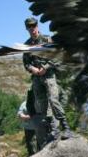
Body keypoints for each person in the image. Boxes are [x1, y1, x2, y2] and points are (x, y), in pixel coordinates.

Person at [22, 17, 73, 147]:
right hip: (36, 77)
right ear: (27, 28)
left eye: (34, 25)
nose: (32, 28)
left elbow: (56, 57)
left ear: (37, 26)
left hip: (49, 75)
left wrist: (46, 67)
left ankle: (66, 127)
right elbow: (26, 63)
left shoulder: (47, 40)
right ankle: (53, 130)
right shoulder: (26, 45)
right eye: (29, 26)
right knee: (42, 104)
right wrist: (33, 69)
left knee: (54, 100)